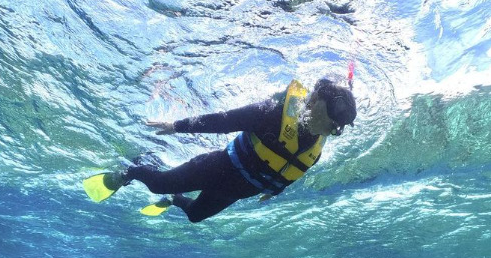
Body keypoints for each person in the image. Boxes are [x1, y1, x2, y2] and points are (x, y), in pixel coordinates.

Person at [83, 78, 357, 222]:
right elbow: (224, 120)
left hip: (236, 192)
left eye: (339, 127)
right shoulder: (272, 113)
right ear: (316, 100)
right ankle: (132, 170)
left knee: (194, 216)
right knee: (157, 185)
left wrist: (273, 191)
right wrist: (176, 126)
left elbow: (289, 171)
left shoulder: (317, 149)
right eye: (334, 121)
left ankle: (174, 200)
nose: (335, 130)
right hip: (217, 167)